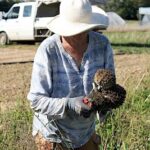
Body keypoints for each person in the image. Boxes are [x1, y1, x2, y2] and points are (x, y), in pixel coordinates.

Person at [27, 0, 115, 149]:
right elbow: (36, 100)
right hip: (53, 134)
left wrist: (105, 102)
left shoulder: (102, 45)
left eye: (83, 30)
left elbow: (108, 86)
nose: (79, 35)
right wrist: (68, 104)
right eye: (73, 31)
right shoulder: (48, 50)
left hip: (86, 132)